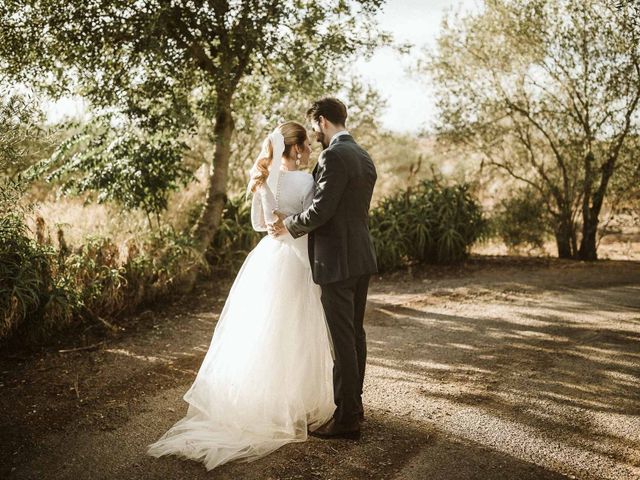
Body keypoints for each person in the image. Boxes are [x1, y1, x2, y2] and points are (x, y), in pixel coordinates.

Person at [147, 121, 335, 471]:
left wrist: (279, 218)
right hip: (296, 256)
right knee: (296, 330)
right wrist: (293, 220)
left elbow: (260, 224)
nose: (309, 150)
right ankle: (296, 404)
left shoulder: (264, 180)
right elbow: (314, 220)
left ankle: (262, 401)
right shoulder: (307, 181)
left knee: (262, 331)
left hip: (269, 255)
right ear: (294, 149)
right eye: (305, 145)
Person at [268, 97, 378, 440]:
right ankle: (353, 409)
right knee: (355, 335)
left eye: (315, 126)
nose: (314, 133)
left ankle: (346, 420)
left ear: (323, 122)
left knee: (342, 339)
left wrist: (289, 225)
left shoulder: (334, 155)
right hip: (360, 256)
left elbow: (322, 211)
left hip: (337, 260)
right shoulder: (362, 155)